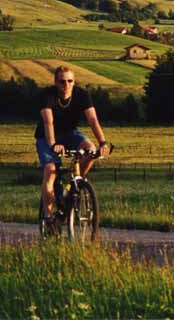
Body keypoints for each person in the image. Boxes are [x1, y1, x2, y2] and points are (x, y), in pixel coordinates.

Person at [36, 66, 111, 227]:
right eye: (62, 81)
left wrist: (103, 142)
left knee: (91, 150)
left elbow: (93, 120)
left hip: (70, 133)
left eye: (70, 81)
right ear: (55, 82)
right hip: (47, 136)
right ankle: (48, 218)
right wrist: (53, 144)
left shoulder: (82, 95)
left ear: (74, 81)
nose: (66, 85)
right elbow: (48, 122)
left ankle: (77, 182)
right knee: (51, 171)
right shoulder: (47, 95)